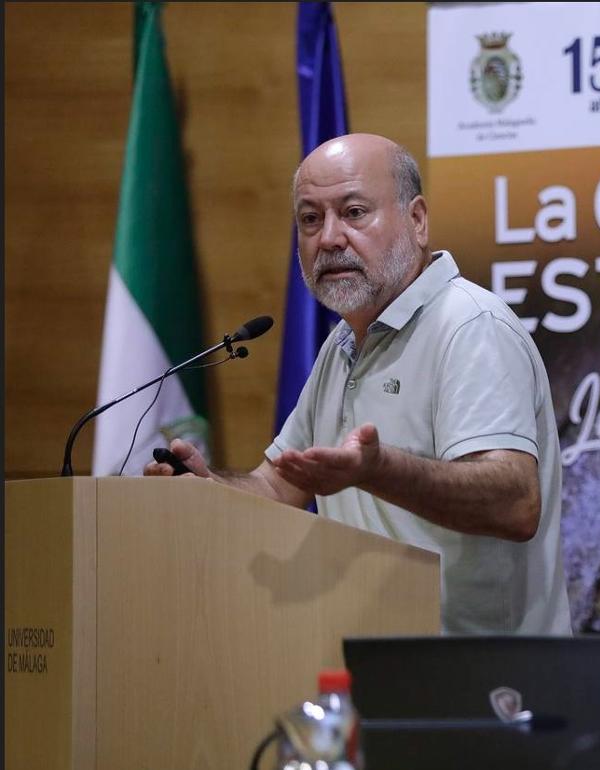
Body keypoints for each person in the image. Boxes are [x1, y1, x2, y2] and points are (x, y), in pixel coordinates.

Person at [146, 133, 572, 636]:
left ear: (417, 220)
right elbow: (279, 484)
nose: (328, 238)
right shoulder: (344, 344)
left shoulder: (469, 326)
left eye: (353, 213)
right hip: (373, 673)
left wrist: (377, 469)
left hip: (485, 685)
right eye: (310, 219)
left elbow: (514, 503)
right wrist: (209, 489)